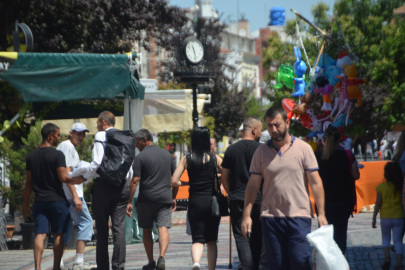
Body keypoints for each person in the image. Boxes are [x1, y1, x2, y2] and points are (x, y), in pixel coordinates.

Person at [241, 106, 328, 270]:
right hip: (271, 218)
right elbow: (253, 186)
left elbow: (316, 183)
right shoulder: (261, 152)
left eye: (277, 124)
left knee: (300, 262)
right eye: (269, 126)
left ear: (287, 122)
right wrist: (246, 216)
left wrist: (321, 214)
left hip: (299, 216)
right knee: (277, 265)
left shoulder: (304, 148)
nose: (274, 129)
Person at [22, 123, 84, 270]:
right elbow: (64, 178)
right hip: (57, 200)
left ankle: (37, 267)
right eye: (58, 135)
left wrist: (25, 203)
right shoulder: (57, 155)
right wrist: (79, 179)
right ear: (50, 136)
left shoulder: (32, 156)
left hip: (40, 201)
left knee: (40, 233)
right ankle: (56, 267)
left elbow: (29, 182)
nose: (59, 138)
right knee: (59, 234)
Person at [86, 111, 133, 270]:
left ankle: (103, 267)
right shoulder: (124, 138)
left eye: (98, 122)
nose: (97, 126)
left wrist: (84, 178)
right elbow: (130, 169)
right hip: (121, 187)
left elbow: (97, 163)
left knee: (102, 229)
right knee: (119, 229)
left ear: (104, 123)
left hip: (103, 187)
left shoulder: (100, 136)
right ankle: (118, 266)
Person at [172, 127, 222, 270]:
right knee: (211, 240)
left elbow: (174, 181)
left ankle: (196, 263)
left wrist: (187, 182)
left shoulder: (187, 159)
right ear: (207, 140)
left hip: (194, 202)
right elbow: (226, 174)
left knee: (197, 238)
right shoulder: (214, 158)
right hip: (211, 202)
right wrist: (217, 177)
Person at [127, 129, 178, 270]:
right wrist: (174, 197)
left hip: (146, 199)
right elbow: (175, 179)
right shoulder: (167, 155)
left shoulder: (140, 157)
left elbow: (134, 180)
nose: (136, 146)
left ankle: (150, 261)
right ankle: (162, 257)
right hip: (165, 198)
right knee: (163, 228)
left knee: (146, 230)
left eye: (137, 143)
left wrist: (129, 201)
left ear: (144, 140)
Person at [221, 116, 263, 270]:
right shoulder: (262, 149)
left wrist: (231, 192)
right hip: (259, 198)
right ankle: (254, 265)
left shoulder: (231, 150)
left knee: (241, 235)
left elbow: (224, 177)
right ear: (254, 129)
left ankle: (247, 265)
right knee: (257, 235)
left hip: (238, 197)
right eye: (260, 129)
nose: (261, 132)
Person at [315, 125, 360, 254]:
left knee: (326, 238)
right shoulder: (347, 155)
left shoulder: (316, 156)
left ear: (324, 139)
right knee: (340, 237)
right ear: (339, 140)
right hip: (343, 201)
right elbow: (356, 175)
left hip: (323, 202)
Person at [57, 123, 96, 270]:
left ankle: (58, 261)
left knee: (66, 228)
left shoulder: (66, 146)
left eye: (83, 134)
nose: (82, 137)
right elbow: (67, 174)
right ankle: (79, 262)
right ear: (71, 133)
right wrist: (75, 196)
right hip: (71, 195)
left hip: (66, 195)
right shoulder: (67, 146)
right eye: (79, 134)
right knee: (86, 222)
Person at [372, 162, 404, 270]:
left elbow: (378, 204)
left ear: (385, 174)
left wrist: (374, 218)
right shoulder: (400, 187)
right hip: (399, 216)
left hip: (385, 216)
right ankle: (399, 264)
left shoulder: (380, 187)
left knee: (385, 238)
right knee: (398, 241)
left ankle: (387, 257)